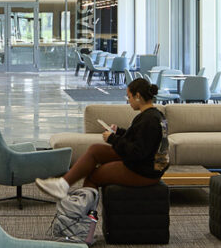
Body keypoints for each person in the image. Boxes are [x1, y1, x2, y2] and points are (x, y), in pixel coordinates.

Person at [35, 77, 168, 198]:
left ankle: (83, 214)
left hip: (144, 172)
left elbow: (137, 152)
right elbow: (141, 139)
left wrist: (112, 139)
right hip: (147, 166)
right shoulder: (155, 116)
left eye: (129, 97)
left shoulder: (148, 120)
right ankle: (63, 184)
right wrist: (119, 132)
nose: (128, 101)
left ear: (137, 96)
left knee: (93, 176)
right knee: (95, 150)